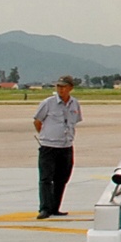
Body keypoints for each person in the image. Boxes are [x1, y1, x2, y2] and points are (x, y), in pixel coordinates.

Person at [33, 76, 82, 219]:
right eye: (58, 86)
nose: (60, 89)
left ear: (70, 88)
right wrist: (46, 135)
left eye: (63, 87)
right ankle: (45, 208)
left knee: (62, 178)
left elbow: (75, 122)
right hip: (49, 146)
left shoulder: (75, 104)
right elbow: (37, 121)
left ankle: (55, 207)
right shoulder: (48, 103)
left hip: (66, 146)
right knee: (46, 178)